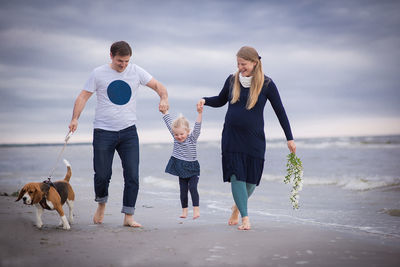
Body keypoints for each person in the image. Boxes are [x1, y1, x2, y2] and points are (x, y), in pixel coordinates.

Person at [68, 41, 169, 227]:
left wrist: (163, 98)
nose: (123, 65)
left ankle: (128, 216)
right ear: (111, 56)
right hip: (103, 131)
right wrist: (75, 118)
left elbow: (158, 86)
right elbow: (83, 96)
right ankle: (101, 204)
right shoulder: (98, 73)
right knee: (102, 175)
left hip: (129, 132)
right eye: (120, 61)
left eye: (127, 61)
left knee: (132, 175)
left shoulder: (136, 71)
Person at [197, 46, 296, 230]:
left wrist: (289, 138)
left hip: (254, 139)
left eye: (244, 64)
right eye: (238, 64)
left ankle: (237, 207)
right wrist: (205, 100)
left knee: (251, 181)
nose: (240, 67)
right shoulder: (232, 80)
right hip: (231, 137)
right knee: (236, 176)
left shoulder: (267, 84)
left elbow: (280, 111)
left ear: (254, 63)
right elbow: (220, 100)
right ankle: (245, 218)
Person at [161, 106, 203, 219]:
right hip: (180, 167)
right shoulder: (175, 137)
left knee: (193, 187)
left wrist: (200, 113)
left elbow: (198, 127)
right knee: (183, 190)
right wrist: (165, 112)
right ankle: (184, 211)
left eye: (181, 134)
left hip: (193, 167)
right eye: (176, 134)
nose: (179, 137)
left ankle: (196, 210)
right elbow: (169, 123)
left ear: (188, 132)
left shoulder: (192, 138)